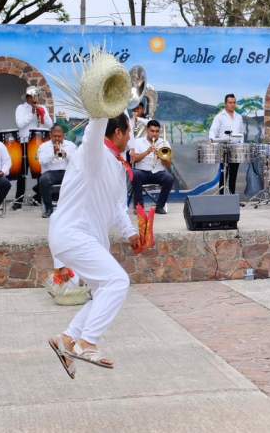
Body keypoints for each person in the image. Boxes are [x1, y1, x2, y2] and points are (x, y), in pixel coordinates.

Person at [48, 114, 141, 376]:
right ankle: (87, 343)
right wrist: (103, 107)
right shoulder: (93, 153)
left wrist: (131, 233)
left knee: (104, 290)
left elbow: (117, 207)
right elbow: (94, 131)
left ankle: (66, 340)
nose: (131, 136)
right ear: (119, 132)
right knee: (118, 282)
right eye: (130, 131)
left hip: (85, 239)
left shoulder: (116, 164)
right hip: (73, 233)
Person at [14, 86, 53, 209]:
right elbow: (20, 124)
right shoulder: (20, 108)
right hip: (24, 141)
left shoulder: (43, 108)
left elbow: (50, 125)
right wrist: (31, 114)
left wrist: (42, 114)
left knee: (40, 171)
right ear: (27, 97)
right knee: (22, 173)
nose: (34, 99)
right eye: (32, 96)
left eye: (36, 96)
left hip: (39, 142)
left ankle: (40, 197)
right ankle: (18, 201)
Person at [130, 120, 174, 214]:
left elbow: (169, 165)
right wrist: (147, 152)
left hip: (158, 172)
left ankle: (160, 206)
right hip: (142, 172)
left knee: (169, 178)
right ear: (147, 130)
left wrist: (161, 157)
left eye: (157, 131)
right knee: (135, 174)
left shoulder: (164, 143)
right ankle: (139, 207)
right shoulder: (138, 142)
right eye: (152, 131)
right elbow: (134, 160)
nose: (154, 134)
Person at [37, 124, 77, 218]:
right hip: (50, 172)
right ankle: (49, 209)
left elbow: (76, 161)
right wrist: (53, 153)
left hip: (66, 172)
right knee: (43, 180)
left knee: (78, 179)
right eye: (55, 136)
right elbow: (42, 161)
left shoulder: (70, 145)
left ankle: (71, 209)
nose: (57, 138)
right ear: (50, 135)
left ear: (63, 135)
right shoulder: (44, 146)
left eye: (59, 136)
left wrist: (64, 153)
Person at [209, 93, 244, 194]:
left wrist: (241, 146)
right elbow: (212, 131)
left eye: (234, 102)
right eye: (230, 102)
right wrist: (213, 142)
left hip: (236, 148)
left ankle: (232, 196)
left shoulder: (239, 117)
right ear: (225, 104)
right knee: (224, 173)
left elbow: (241, 133)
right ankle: (222, 195)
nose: (232, 104)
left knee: (234, 174)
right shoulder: (219, 117)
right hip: (224, 148)